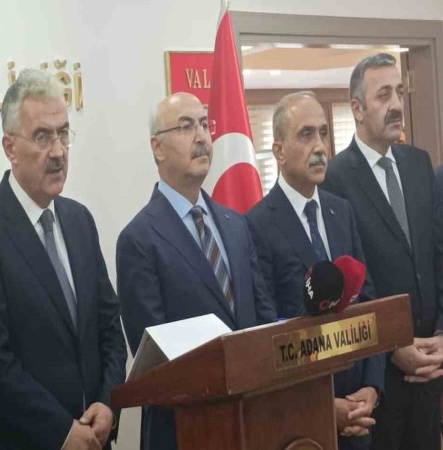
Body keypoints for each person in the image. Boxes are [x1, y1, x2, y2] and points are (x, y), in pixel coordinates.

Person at [0, 68, 126, 450]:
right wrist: (60, 431)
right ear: (10, 148)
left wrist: (107, 403)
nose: (59, 151)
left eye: (63, 134)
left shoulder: (79, 220)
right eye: (43, 137)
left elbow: (110, 328)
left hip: (95, 438)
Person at [116, 92, 276, 450]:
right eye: (186, 127)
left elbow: (263, 318)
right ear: (157, 148)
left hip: (252, 421)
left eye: (204, 124)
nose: (202, 137)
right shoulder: (139, 239)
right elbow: (155, 360)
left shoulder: (236, 225)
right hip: (184, 430)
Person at [246, 91, 384, 448]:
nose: (320, 146)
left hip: (360, 412)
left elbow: (368, 302)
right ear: (278, 151)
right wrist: (322, 404)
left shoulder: (342, 212)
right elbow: (267, 330)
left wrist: (372, 387)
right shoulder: (256, 225)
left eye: (323, 133)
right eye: (306, 135)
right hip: (300, 422)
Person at [321, 53, 443, 450]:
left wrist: (441, 334)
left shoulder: (419, 164)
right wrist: (392, 346)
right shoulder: (335, 179)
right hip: (378, 381)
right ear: (357, 109)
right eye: (383, 94)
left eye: (400, 92)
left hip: (431, 368)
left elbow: (437, 257)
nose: (396, 105)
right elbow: (350, 286)